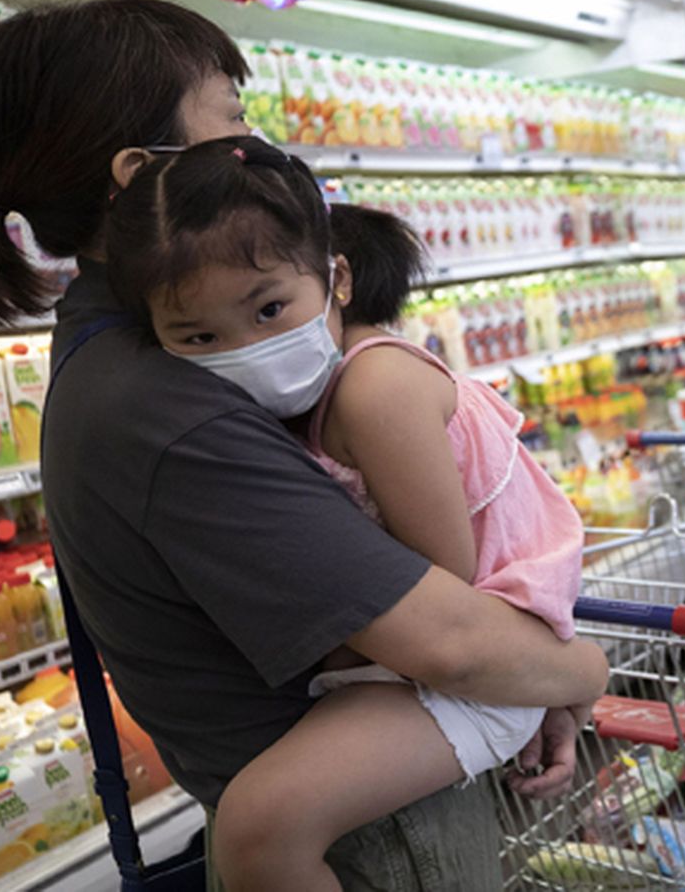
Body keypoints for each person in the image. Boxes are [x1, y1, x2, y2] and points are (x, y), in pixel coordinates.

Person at [0, 0, 606, 889]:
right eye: (232, 118)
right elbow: (449, 637)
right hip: (366, 840)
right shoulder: (166, 406)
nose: (254, 142)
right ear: (144, 173)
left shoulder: (143, 359)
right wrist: (575, 669)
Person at [104, 142, 589, 891]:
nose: (245, 350)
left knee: (261, 827)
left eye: (270, 310)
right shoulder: (310, 393)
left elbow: (446, 587)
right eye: (199, 338)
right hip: (446, 664)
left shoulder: (375, 389)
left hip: (477, 659)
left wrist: (568, 673)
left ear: (336, 279)